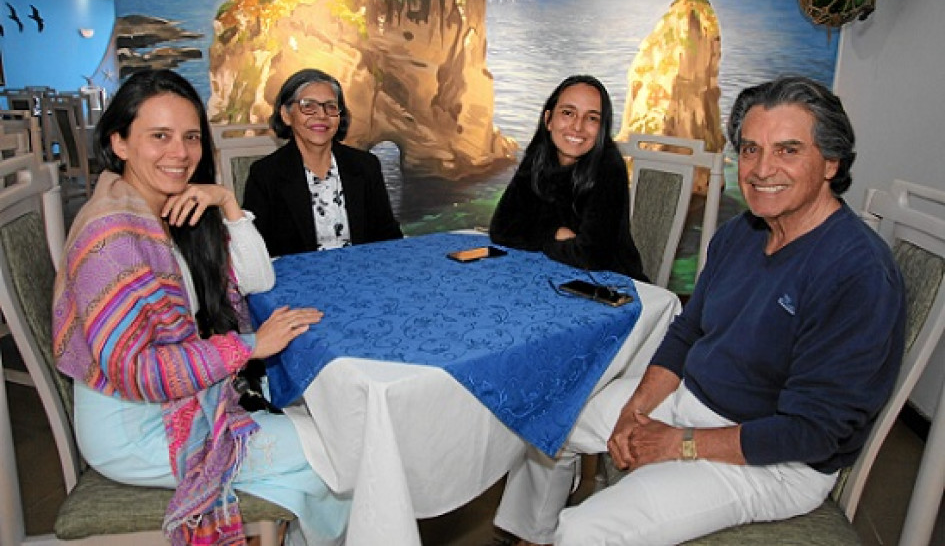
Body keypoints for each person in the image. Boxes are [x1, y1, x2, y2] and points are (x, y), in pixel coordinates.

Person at [492, 75, 906, 545]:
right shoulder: (740, 235)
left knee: (589, 529)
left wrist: (678, 443)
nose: (762, 169)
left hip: (773, 458)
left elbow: (812, 432)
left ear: (831, 162)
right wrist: (638, 407)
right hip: (693, 400)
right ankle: (530, 533)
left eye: (788, 150)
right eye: (750, 150)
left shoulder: (858, 272)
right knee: (548, 422)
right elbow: (687, 334)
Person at [52, 69, 350, 546]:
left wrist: (227, 201)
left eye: (191, 137)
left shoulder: (166, 211)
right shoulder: (111, 236)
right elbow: (136, 372)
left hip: (182, 400)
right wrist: (251, 346)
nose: (180, 153)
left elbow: (258, 279)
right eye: (160, 137)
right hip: (137, 428)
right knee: (343, 446)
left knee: (323, 460)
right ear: (120, 142)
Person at [489, 74, 647, 281]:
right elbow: (502, 229)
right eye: (567, 113)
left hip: (612, 283)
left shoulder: (609, 166)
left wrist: (538, 235)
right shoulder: (540, 154)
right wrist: (556, 233)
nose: (577, 126)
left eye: (592, 118)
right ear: (548, 120)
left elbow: (592, 256)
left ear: (602, 128)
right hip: (552, 274)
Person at [242, 68, 402, 257]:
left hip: (361, 275)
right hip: (298, 281)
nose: (321, 115)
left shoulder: (365, 166)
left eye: (331, 106)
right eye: (308, 106)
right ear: (286, 115)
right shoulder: (265, 175)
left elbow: (388, 235)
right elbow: (257, 250)